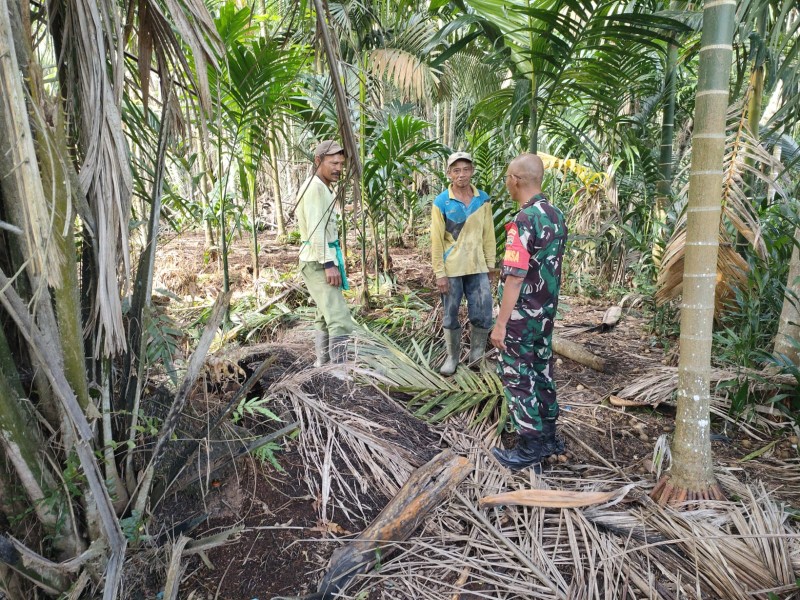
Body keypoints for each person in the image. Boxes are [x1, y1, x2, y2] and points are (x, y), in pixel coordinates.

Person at [489, 153, 567, 472]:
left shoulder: (523, 221)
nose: (506, 183)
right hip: (544, 314)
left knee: (518, 376)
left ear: (516, 180)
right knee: (541, 370)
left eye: (507, 178)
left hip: (521, 318)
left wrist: (501, 324)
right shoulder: (555, 215)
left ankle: (530, 445)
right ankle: (548, 436)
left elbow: (515, 278)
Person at [431, 151, 496, 376]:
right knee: (451, 313)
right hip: (452, 268)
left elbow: (488, 234)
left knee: (483, 312)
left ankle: (477, 356)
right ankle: (452, 357)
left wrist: (490, 264)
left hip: (478, 266)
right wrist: (439, 273)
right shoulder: (442, 202)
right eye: (456, 170)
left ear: (472, 171)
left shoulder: (482, 199)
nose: (461, 174)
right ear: (449, 173)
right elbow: (436, 240)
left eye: (466, 169)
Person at [296, 140, 354, 365]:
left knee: (324, 314)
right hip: (318, 261)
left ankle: (322, 365)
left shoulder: (320, 186)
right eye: (333, 163)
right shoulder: (315, 188)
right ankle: (339, 373)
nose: (338, 168)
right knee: (339, 319)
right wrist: (329, 264)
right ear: (318, 161)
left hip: (320, 258)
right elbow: (316, 229)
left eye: (341, 164)